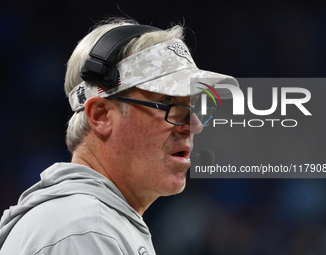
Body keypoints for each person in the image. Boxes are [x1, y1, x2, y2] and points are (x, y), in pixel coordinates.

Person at [0, 18, 238, 254]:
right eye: (168, 102)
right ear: (101, 115)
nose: (193, 125)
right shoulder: (85, 230)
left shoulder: (94, 222)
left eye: (193, 106)